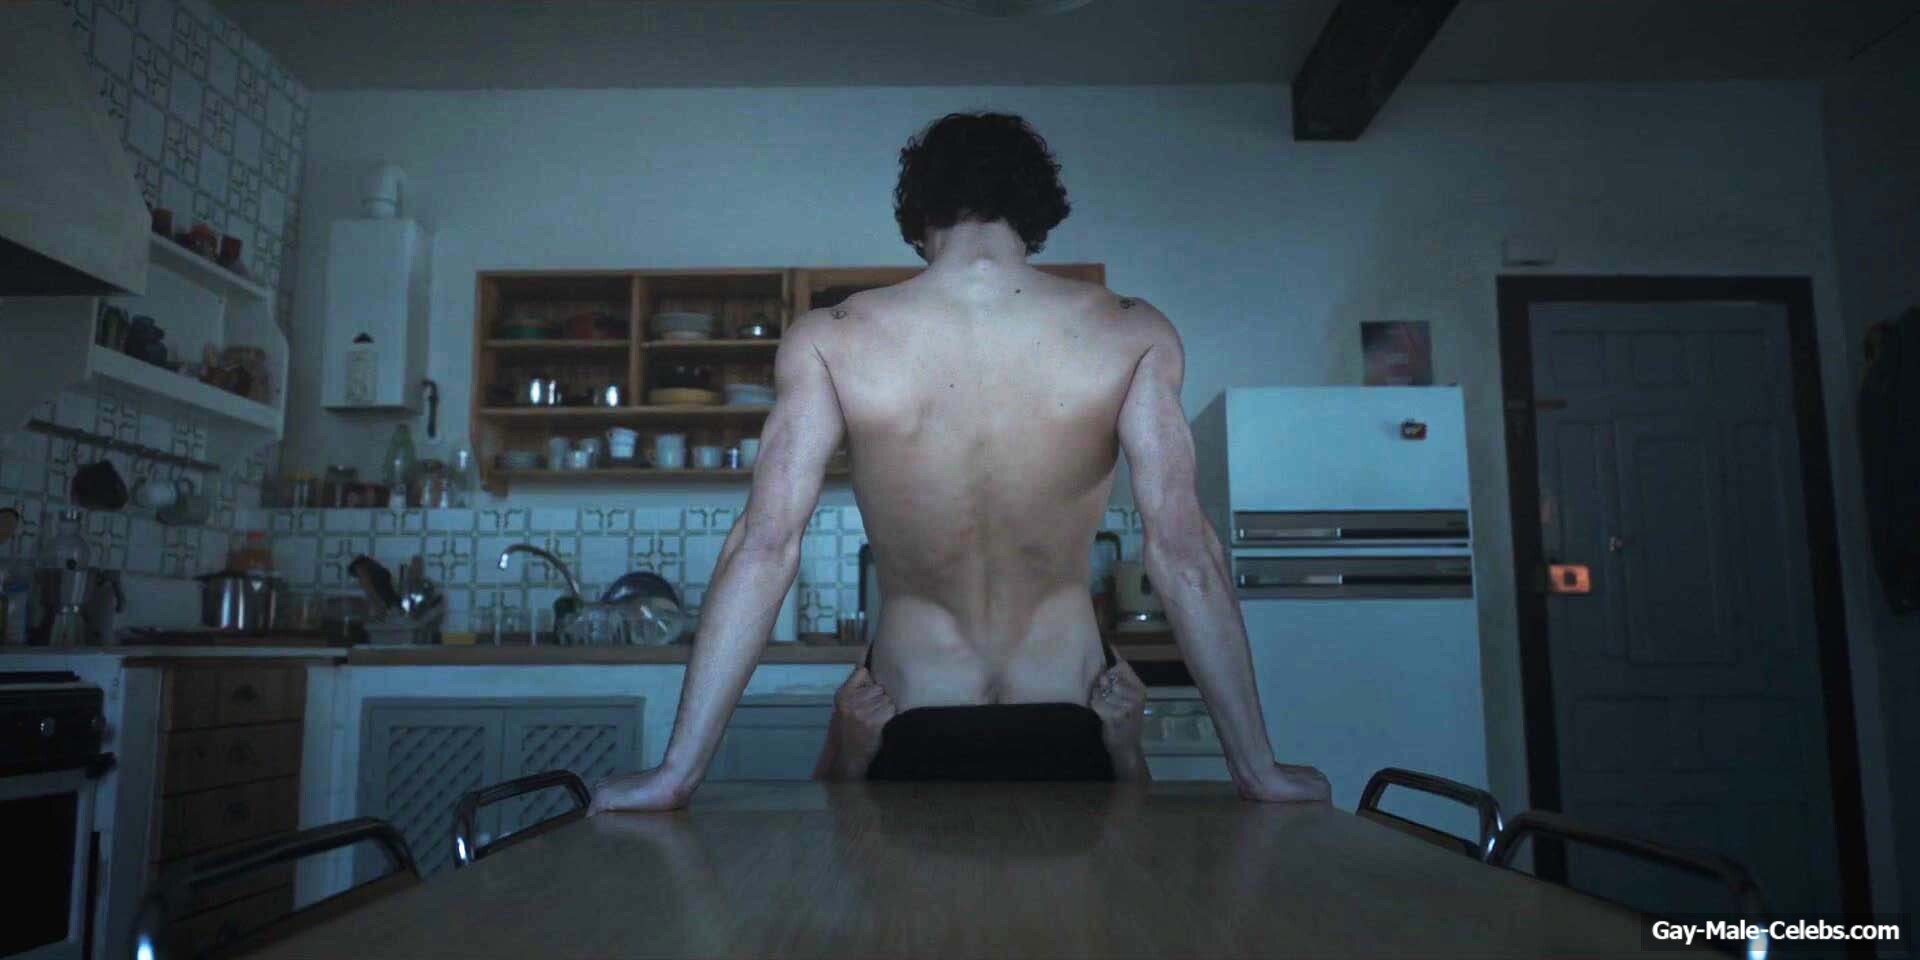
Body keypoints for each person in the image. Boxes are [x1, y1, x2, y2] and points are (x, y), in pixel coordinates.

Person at [590, 111, 1330, 811]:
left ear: (919, 217)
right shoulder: (1131, 331)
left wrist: (678, 772)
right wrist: (1255, 766)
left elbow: (765, 544)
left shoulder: (832, 336)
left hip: (909, 710)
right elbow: (1183, 550)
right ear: (1037, 214)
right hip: (1071, 707)